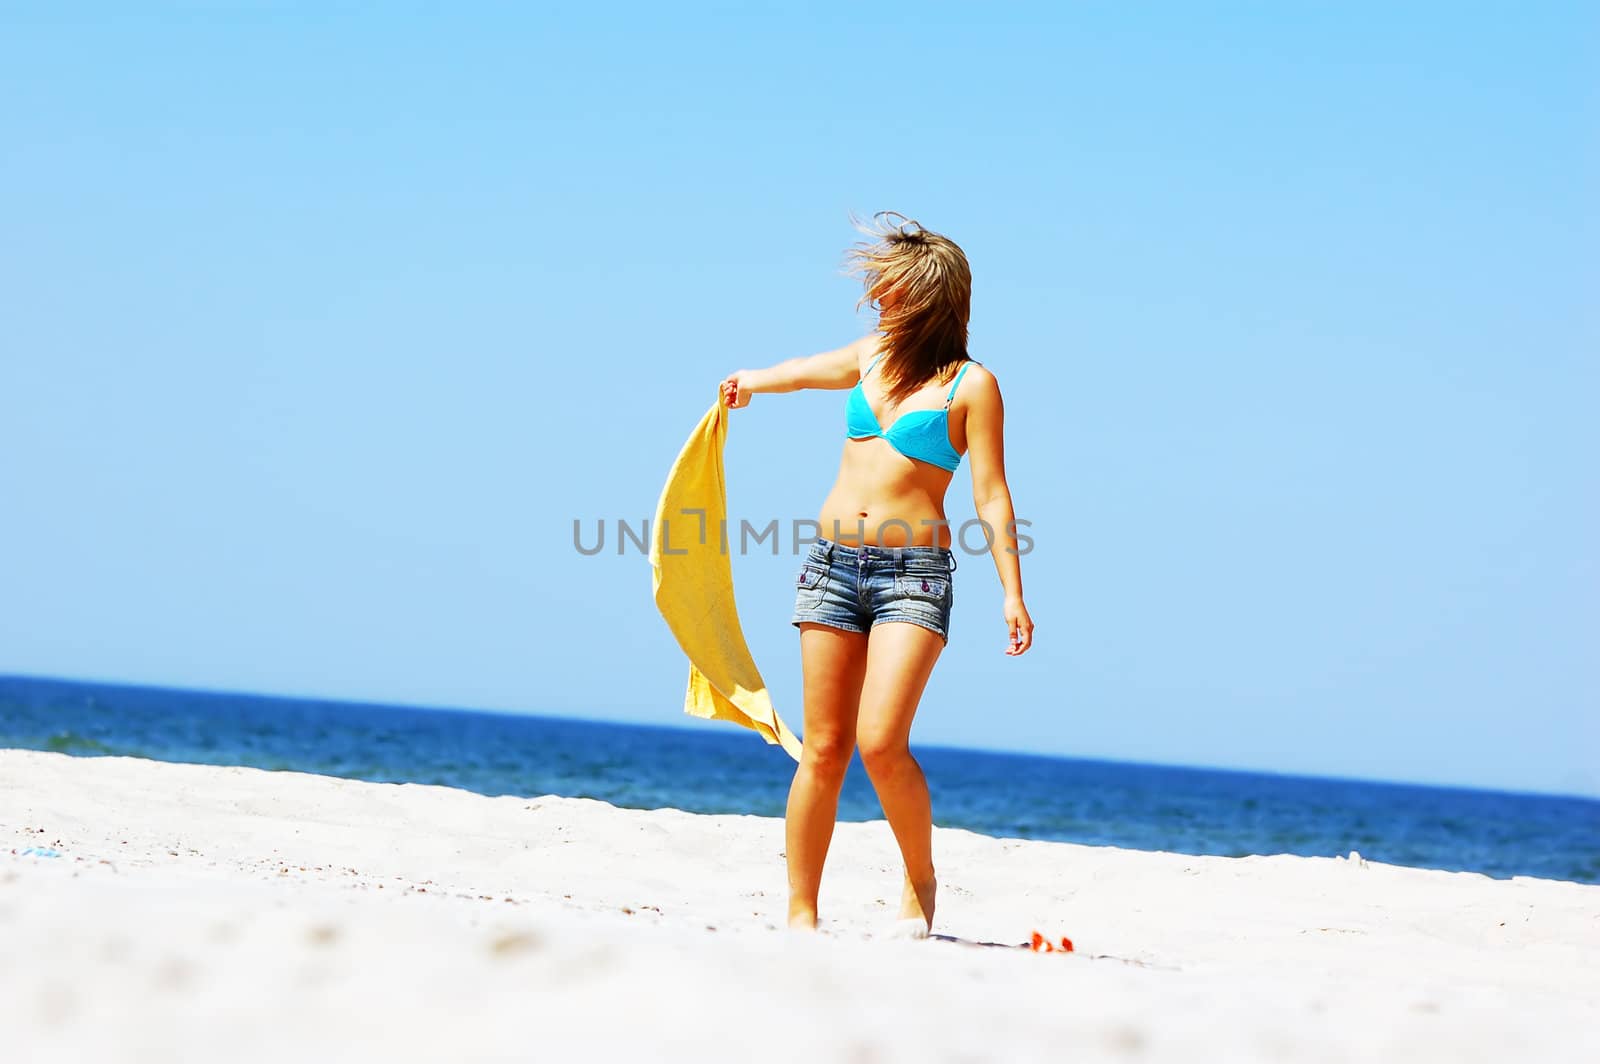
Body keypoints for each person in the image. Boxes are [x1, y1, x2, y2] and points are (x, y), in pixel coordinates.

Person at [718, 211, 1033, 936]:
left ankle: (920, 880)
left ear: (930, 297)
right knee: (823, 747)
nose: (878, 301)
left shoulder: (972, 385)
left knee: (881, 741)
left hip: (913, 579)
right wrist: (751, 382)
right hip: (831, 568)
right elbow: (801, 374)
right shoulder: (870, 356)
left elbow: (990, 493)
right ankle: (802, 913)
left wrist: (1013, 593)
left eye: (892, 292)